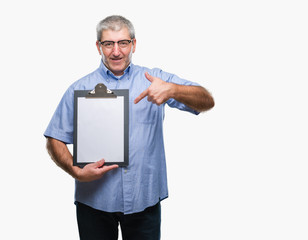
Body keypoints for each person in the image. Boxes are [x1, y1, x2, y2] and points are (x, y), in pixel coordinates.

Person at [44, 15, 214, 240]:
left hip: (144, 200)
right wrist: (76, 171)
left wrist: (173, 90)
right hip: (94, 201)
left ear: (133, 44)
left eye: (123, 43)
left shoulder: (155, 80)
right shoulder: (79, 88)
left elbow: (206, 101)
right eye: (108, 44)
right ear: (98, 47)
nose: (116, 51)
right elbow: (54, 138)